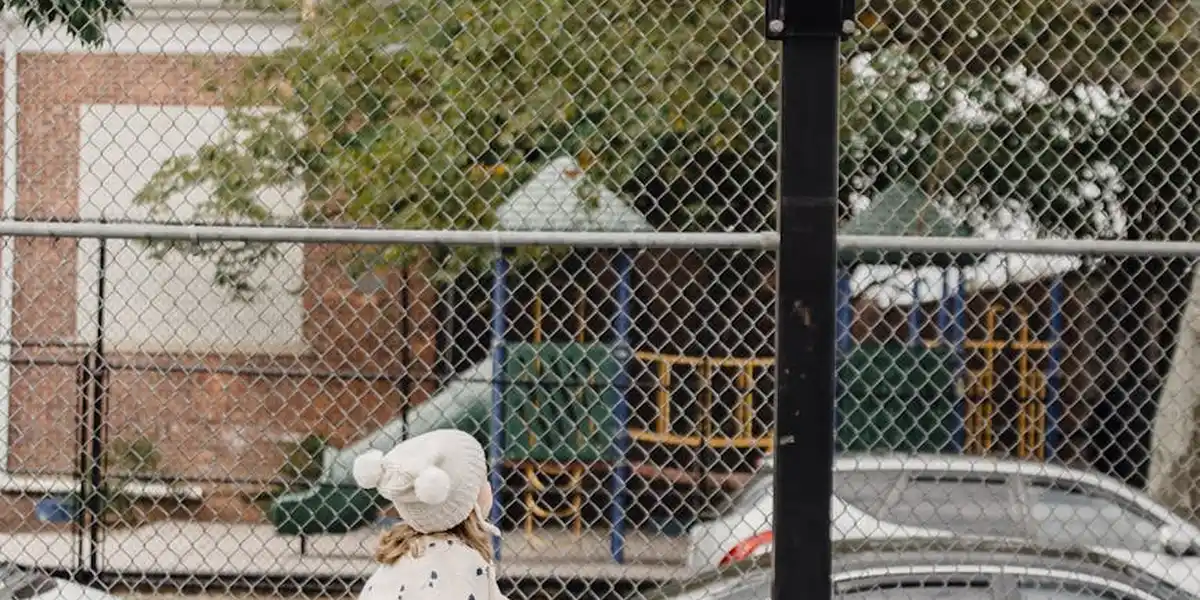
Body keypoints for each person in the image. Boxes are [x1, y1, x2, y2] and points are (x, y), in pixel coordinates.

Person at [353, 428, 506, 600]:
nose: (488, 486)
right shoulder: (467, 565)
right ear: (470, 503)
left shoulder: (393, 562)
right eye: (483, 478)